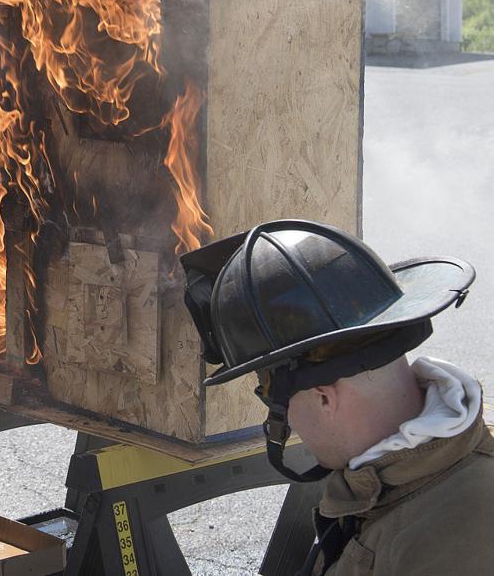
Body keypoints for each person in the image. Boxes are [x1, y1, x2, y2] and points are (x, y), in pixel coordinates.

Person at [181, 219, 489, 575]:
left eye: (272, 399)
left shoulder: (450, 548)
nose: (289, 423)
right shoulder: (396, 484)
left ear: (324, 397)